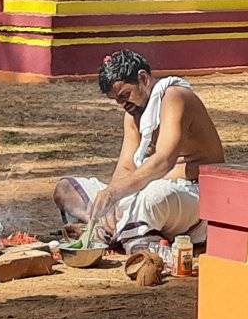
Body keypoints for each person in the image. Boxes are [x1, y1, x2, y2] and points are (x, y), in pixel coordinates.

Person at [53, 49, 224, 251]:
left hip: (191, 196)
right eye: (117, 100)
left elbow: (163, 161)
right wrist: (111, 202)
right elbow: (126, 167)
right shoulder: (133, 113)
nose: (124, 105)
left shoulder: (175, 97)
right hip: (144, 188)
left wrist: (116, 193)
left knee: (153, 196)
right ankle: (121, 228)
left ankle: (128, 237)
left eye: (125, 95)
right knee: (66, 189)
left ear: (143, 78)